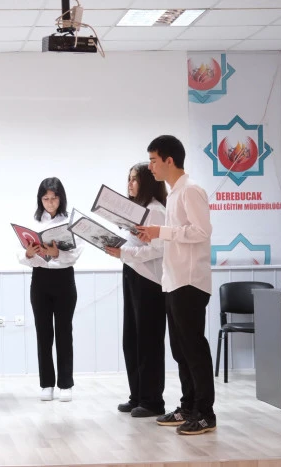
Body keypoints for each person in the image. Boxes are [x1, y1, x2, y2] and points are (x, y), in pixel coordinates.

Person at [136, 135, 216, 436]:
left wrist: (163, 231)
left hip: (190, 281)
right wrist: (154, 234)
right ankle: (188, 406)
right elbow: (174, 236)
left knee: (193, 349)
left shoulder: (191, 190)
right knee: (180, 350)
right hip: (173, 280)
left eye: (153, 160)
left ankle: (205, 413)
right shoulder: (173, 195)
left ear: (169, 160)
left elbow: (201, 231)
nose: (150, 167)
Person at [105, 163, 167, 417]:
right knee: (132, 340)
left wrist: (124, 252)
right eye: (128, 179)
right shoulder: (138, 210)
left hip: (150, 281)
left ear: (148, 182)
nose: (129, 184)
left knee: (149, 341)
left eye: (135, 179)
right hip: (132, 273)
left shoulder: (156, 210)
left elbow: (159, 249)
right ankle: (138, 395)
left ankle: (153, 401)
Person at [17, 177, 83, 402]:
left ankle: (65, 384)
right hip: (40, 279)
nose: (50, 202)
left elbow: (76, 253)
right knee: (43, 333)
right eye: (45, 198)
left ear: (61, 198)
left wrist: (57, 253)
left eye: (54, 198)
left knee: (64, 332)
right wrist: (28, 253)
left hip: (64, 278)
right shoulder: (33, 222)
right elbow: (20, 254)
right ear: (40, 199)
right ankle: (46, 384)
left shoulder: (71, 221)